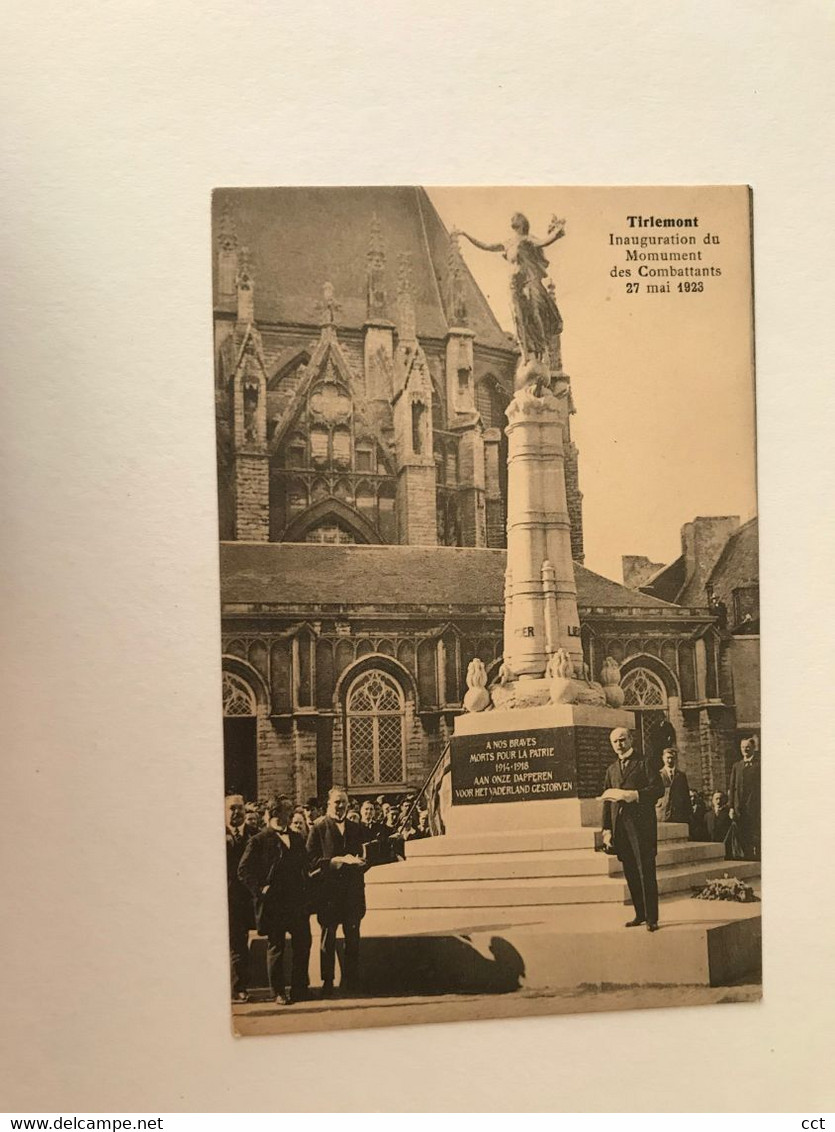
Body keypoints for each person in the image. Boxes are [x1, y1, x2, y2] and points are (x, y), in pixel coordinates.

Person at [456, 213, 565, 370]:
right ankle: (525, 353)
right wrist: (466, 235)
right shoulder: (508, 243)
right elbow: (486, 246)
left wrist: (557, 233)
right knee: (518, 317)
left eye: (515, 218)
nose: (512, 220)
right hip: (514, 284)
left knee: (534, 313)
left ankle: (543, 348)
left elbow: (543, 242)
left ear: (521, 223)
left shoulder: (527, 239)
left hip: (528, 280)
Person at [237, 795, 312, 1005]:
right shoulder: (259, 840)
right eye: (287, 812)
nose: (290, 815)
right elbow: (243, 871)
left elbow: (305, 864)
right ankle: (278, 991)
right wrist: (260, 889)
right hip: (274, 905)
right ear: (275, 813)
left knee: (303, 943)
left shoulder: (296, 838)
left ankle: (299, 988)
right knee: (276, 947)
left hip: (296, 903)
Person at [600, 727, 664, 932]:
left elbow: (658, 789)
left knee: (646, 871)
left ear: (631, 740)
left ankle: (652, 918)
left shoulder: (644, 763)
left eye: (622, 740)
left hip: (641, 827)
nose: (619, 744)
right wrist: (607, 830)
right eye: (615, 742)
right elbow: (607, 801)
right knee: (630, 873)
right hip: (621, 829)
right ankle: (640, 914)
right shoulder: (611, 769)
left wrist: (635, 795)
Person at [306, 785, 367, 997]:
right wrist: (331, 862)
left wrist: (361, 862)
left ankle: (352, 981)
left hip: (352, 893)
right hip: (329, 895)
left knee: (353, 938)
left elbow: (364, 853)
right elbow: (310, 860)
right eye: (336, 802)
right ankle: (328, 981)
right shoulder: (319, 827)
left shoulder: (356, 827)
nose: (340, 806)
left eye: (344, 802)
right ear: (328, 805)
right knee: (328, 938)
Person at [225, 794, 254, 1003]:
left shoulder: (254, 835)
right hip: (224, 898)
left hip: (245, 900)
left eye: (240, 808)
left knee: (240, 942)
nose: (236, 812)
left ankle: (239, 987)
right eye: (232, 809)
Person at [729, 737, 761, 859]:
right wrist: (731, 807)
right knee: (742, 835)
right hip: (739, 809)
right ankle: (745, 859)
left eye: (747, 747)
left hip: (754, 808)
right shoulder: (737, 766)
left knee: (755, 836)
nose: (745, 749)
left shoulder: (758, 765)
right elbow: (732, 788)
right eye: (742, 747)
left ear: (753, 748)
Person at [655, 747, 691, 825]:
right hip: (662, 812)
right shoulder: (658, 775)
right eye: (668, 758)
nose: (670, 761)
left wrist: (688, 813)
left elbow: (686, 795)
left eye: (672, 758)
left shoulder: (681, 776)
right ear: (663, 758)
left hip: (678, 813)